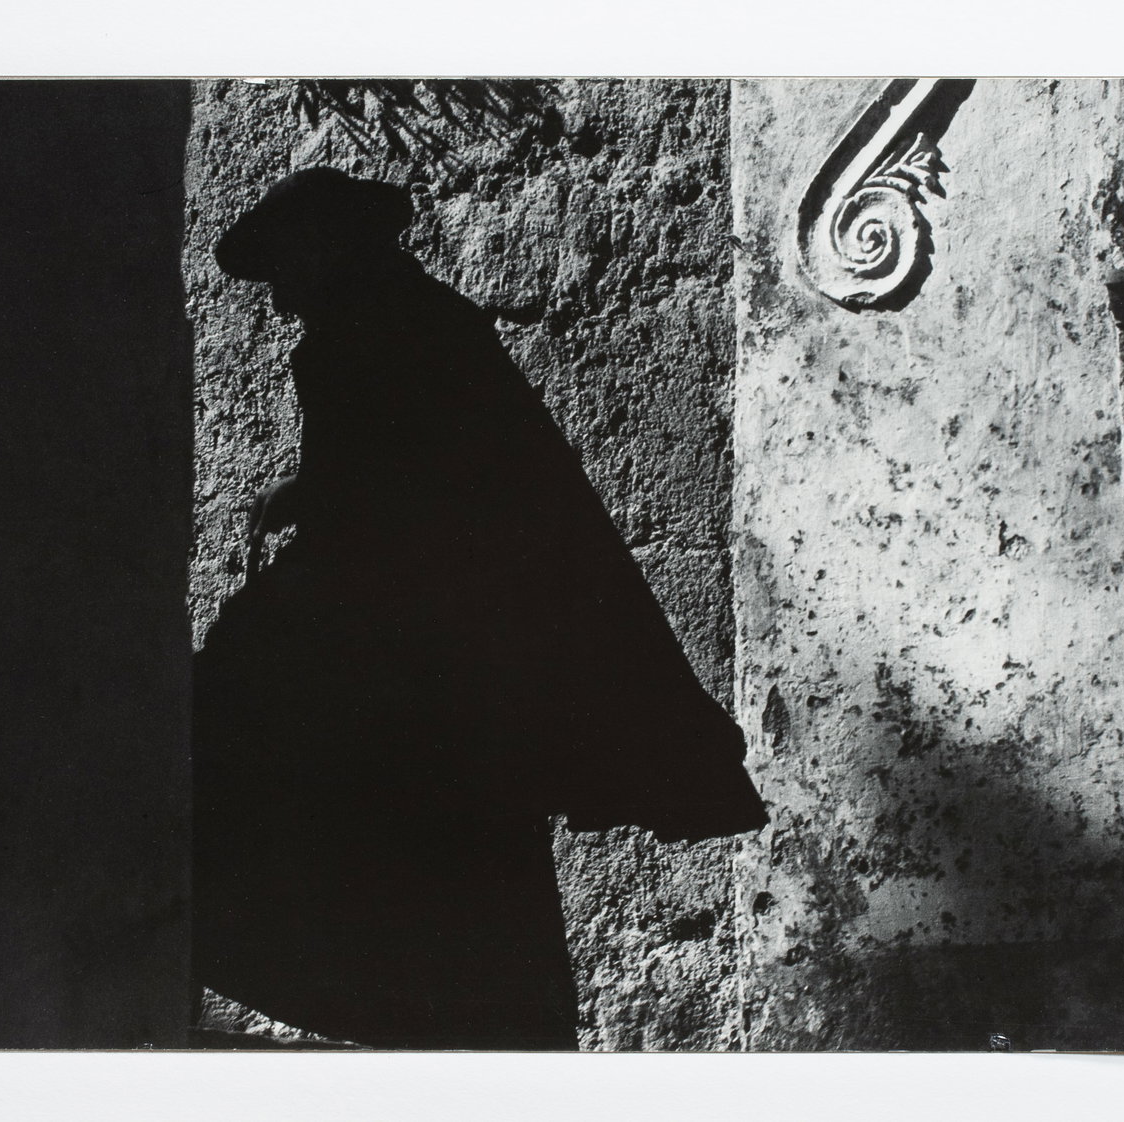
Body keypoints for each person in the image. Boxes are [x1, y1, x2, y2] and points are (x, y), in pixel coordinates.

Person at [192, 167, 767, 1050]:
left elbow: (390, 508)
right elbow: (418, 466)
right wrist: (312, 491)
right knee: (474, 844)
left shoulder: (358, 339)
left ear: (324, 251)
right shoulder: (426, 321)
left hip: (423, 652)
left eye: (286, 272)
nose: (280, 300)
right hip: (475, 647)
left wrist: (278, 605)